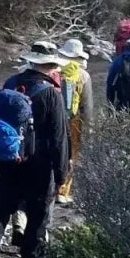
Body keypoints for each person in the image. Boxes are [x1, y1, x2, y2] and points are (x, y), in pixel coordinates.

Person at [0, 43, 70, 258]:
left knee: (2, 207)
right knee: (38, 216)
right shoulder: (51, 93)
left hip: (9, 160)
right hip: (39, 166)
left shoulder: (10, 84)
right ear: (50, 67)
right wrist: (62, 174)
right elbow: (59, 137)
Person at [55, 37, 93, 205]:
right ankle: (63, 191)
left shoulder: (54, 70)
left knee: (54, 151)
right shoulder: (83, 75)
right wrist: (88, 128)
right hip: (74, 121)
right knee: (71, 155)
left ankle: (51, 187)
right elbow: (87, 106)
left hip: (54, 119)